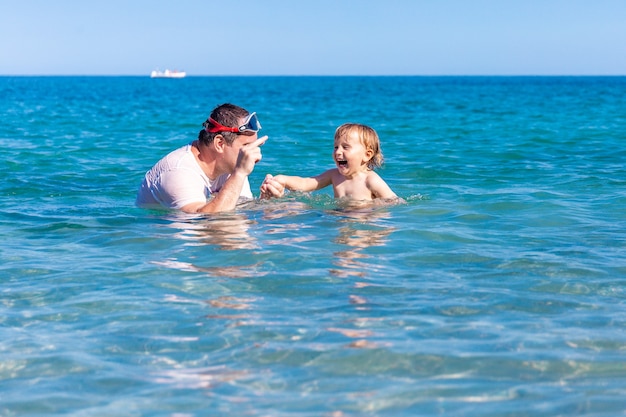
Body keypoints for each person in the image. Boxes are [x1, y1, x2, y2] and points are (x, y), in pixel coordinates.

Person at [136, 103, 277, 213]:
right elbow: (204, 221)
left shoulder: (232, 166)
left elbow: (238, 211)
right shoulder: (178, 172)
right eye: (247, 147)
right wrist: (239, 174)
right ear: (220, 143)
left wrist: (266, 202)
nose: (255, 157)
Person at [260, 123, 397, 201]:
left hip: (363, 220)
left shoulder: (371, 180)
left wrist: (374, 209)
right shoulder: (334, 175)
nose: (338, 152)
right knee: (295, 207)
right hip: (338, 216)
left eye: (346, 147)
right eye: (336, 147)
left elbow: (394, 202)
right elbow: (307, 183)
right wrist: (283, 179)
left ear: (367, 155)